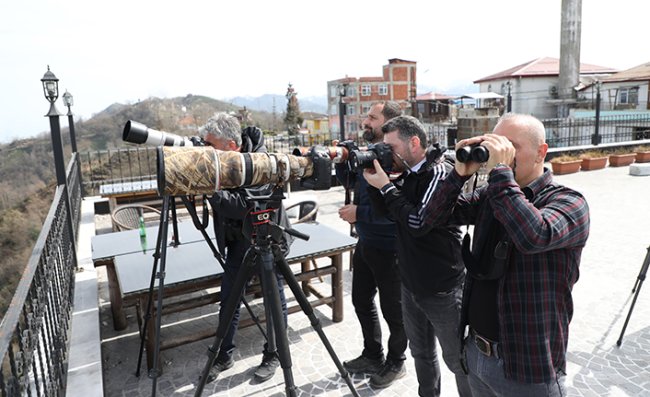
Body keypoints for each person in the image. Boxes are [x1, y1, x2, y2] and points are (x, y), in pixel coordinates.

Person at [375, 113, 590, 396]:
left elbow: (533, 233)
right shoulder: (493, 196)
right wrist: (458, 174)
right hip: (478, 355)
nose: (503, 153)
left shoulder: (569, 202)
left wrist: (501, 170)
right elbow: (435, 217)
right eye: (497, 145)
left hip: (527, 367)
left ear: (541, 152)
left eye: (511, 145)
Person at [363, 115, 472, 397]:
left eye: (391, 147)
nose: (387, 153)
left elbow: (417, 223)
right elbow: (389, 213)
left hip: (442, 289)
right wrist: (376, 186)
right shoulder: (409, 173)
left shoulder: (439, 173)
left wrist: (386, 187)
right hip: (411, 285)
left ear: (414, 143)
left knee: (458, 361)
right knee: (421, 354)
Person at [200, 112, 293, 384]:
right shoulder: (221, 160)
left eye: (211, 145)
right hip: (237, 243)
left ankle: (274, 354)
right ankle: (223, 354)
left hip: (266, 241)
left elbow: (243, 206)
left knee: (274, 300)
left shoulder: (260, 162)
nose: (207, 151)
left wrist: (209, 189)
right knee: (229, 300)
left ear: (231, 145)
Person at [336, 101, 408, 389]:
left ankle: (396, 362)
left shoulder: (397, 160)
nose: (365, 122)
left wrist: (359, 213)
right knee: (361, 300)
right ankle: (372, 354)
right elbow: (351, 182)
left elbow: (397, 211)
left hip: (391, 248)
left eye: (372, 117)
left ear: (388, 123)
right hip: (365, 242)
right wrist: (343, 162)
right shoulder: (369, 155)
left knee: (394, 310)